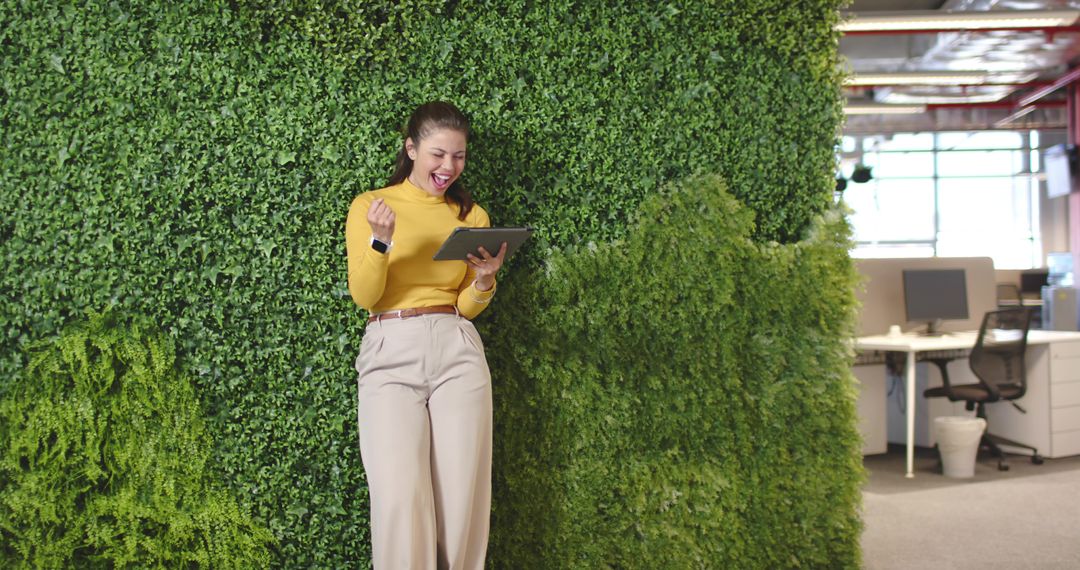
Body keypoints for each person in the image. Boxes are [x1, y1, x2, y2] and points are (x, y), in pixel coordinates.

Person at [345, 101, 506, 570]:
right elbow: (366, 294)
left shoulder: (471, 214)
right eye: (438, 154)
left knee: (461, 500)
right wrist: (380, 241)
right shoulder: (372, 207)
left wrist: (483, 280)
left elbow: (464, 307)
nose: (448, 167)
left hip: (456, 347)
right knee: (399, 496)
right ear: (411, 148)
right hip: (390, 346)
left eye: (458, 156)